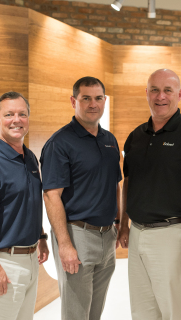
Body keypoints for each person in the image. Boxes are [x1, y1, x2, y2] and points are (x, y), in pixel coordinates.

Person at [118, 69, 181, 320]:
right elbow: (129, 182)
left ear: (179, 95)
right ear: (147, 94)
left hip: (173, 236)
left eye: (168, 90)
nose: (160, 96)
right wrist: (124, 224)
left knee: (174, 312)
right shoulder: (136, 137)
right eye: (154, 90)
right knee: (142, 312)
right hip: (138, 234)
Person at [41, 77, 122, 320]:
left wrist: (119, 223)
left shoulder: (109, 140)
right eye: (85, 98)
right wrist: (65, 244)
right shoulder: (59, 143)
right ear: (73, 101)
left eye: (98, 98)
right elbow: (51, 195)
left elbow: (115, 186)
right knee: (76, 313)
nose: (92, 104)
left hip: (107, 236)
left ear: (104, 101)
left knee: (94, 312)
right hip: (77, 235)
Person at [0, 91, 49, 320]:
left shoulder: (30, 158)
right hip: (4, 263)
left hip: (31, 259)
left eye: (22, 114)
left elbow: (28, 203)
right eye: (9, 114)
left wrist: (41, 237)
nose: (16, 120)